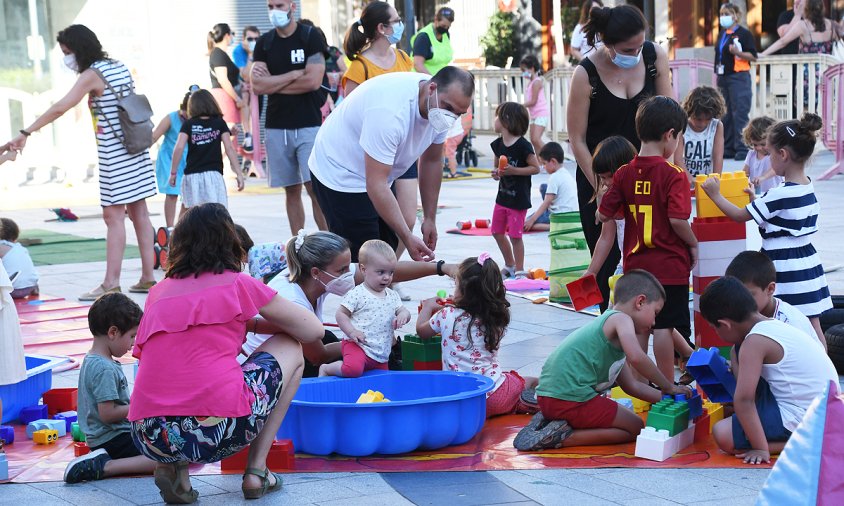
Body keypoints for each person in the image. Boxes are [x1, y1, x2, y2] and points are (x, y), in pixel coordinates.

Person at [128, 203, 324, 502]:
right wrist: (258, 323)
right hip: (218, 428)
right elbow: (313, 331)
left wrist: (247, 323)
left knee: (175, 381)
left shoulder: (158, 291)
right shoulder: (238, 283)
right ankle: (257, 472)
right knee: (291, 347)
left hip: (149, 434)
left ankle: (175, 471)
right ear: (228, 239)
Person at [7, 25, 157, 301]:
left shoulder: (92, 75)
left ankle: (110, 282)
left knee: (113, 217)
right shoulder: (118, 66)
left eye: (67, 52)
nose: (67, 59)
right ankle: (148, 277)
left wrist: (25, 132)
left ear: (79, 49)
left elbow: (60, 107)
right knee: (140, 214)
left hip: (115, 154)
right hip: (136, 147)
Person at [566, 4, 673, 310]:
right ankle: (610, 335)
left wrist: (670, 171)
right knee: (606, 258)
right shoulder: (585, 74)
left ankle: (657, 326)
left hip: (647, 176)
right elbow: (577, 139)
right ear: (607, 42)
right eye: (629, 48)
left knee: (651, 260)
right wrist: (602, 187)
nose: (637, 52)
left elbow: (670, 121)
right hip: (600, 175)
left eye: (641, 44)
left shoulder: (654, 57)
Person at [513, 270, 692, 451]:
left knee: (630, 422)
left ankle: (555, 421)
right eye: (655, 312)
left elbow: (632, 387)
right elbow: (637, 357)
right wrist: (668, 386)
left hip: (548, 398)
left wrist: (671, 398)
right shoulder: (620, 319)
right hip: (571, 399)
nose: (654, 322)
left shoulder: (611, 337)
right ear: (640, 302)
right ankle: (561, 437)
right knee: (635, 428)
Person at [308, 67, 474, 262]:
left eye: (459, 113)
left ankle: (381, 289)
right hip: (339, 170)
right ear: (431, 89)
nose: (451, 116)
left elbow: (431, 161)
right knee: (364, 257)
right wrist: (407, 236)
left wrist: (429, 218)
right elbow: (375, 183)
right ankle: (357, 290)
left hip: (379, 171)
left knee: (387, 247)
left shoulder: (440, 107)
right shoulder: (390, 112)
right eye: (448, 108)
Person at [240, 230, 458, 376]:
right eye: (342, 269)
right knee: (350, 360)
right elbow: (318, 355)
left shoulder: (310, 274)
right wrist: (373, 340)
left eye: (349, 267)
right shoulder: (293, 299)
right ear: (316, 272)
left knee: (333, 339)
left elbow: (382, 269)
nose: (349, 273)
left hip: (298, 346)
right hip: (267, 364)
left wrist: (441, 268)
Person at [700, 113, 833, 342]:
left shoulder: (779, 194)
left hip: (784, 266)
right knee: (812, 324)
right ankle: (823, 372)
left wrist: (715, 195)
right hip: (806, 263)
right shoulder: (807, 187)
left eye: (769, 153)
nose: (768, 158)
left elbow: (740, 216)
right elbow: (782, 224)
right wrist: (756, 201)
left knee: (777, 321)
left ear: (783, 155)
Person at [597, 96, 697, 382]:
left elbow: (604, 215)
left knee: (640, 326)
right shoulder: (673, 174)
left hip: (636, 266)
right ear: (670, 135)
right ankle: (667, 385)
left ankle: (642, 387)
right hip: (669, 266)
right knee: (664, 326)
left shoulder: (624, 173)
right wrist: (693, 243)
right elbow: (678, 220)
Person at [699, 276, 838, 464]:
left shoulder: (753, 343)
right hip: (827, 409)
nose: (717, 334)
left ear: (725, 324)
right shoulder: (772, 325)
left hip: (808, 417)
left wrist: (759, 448)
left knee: (722, 433)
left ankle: (808, 442)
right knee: (736, 353)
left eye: (714, 328)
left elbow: (745, 400)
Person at [341, 2, 416, 282]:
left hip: (404, 150)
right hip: (375, 154)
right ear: (382, 28)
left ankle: (388, 273)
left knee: (407, 219)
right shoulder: (359, 66)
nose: (400, 25)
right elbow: (349, 113)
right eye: (396, 21)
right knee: (379, 221)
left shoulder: (404, 59)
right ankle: (380, 275)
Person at [417, 253, 538, 418]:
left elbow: (422, 331)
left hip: (460, 402)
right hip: (495, 395)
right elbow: (472, 316)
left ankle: (522, 402)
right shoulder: (494, 317)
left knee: (513, 382)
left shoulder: (446, 315)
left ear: (463, 291)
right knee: (528, 381)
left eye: (456, 285)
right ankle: (533, 401)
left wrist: (427, 307)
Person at [251, 0, 329, 236]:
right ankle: (299, 244)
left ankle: (328, 242)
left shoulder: (309, 36)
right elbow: (257, 85)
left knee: (314, 187)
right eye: (271, 5)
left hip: (308, 123)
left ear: (292, 7)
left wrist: (273, 83)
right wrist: (294, 74)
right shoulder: (265, 43)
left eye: (280, 5)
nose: (275, 11)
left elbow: (313, 81)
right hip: (277, 126)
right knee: (291, 190)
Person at [62, 293, 157, 483]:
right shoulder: (104, 368)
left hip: (107, 437)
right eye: (131, 336)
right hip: (112, 439)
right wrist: (141, 406)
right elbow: (107, 414)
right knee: (167, 459)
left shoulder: (93, 359)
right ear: (113, 332)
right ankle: (105, 466)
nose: (133, 343)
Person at [318, 240, 410, 378]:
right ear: (363, 270)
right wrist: (351, 331)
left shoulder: (392, 295)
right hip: (357, 345)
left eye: (391, 272)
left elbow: (403, 310)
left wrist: (404, 315)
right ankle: (327, 368)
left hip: (381, 352)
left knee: (380, 382)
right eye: (381, 272)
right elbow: (341, 314)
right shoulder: (357, 293)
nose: (387, 277)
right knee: (352, 370)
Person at [168, 89, 244, 213]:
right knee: (218, 211)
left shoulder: (188, 124)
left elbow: (179, 147)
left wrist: (173, 173)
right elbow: (229, 148)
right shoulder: (220, 123)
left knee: (189, 211)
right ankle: (218, 232)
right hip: (214, 175)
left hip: (192, 175)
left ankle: (180, 232)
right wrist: (239, 174)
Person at [725, 250, 822, 346]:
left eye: (747, 295)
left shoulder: (788, 324)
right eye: (734, 295)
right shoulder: (751, 315)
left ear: (770, 289)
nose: (739, 302)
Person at [490, 102, 540, 279]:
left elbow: (536, 168)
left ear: (506, 120)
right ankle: (509, 264)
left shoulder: (523, 146)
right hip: (502, 198)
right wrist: (496, 173)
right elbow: (497, 168)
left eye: (497, 116)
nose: (494, 120)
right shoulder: (497, 145)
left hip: (518, 199)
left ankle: (519, 269)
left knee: (515, 235)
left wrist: (515, 171)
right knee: (496, 231)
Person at [761, 0, 837, 111]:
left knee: (806, 111)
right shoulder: (830, 24)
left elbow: (783, 41)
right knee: (826, 109)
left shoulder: (803, 25)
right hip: (827, 73)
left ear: (807, 9)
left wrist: (763, 54)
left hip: (807, 75)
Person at [581, 136, 637, 279]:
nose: (605, 183)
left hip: (647, 267)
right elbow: (606, 237)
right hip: (624, 265)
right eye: (602, 177)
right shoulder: (611, 200)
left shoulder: (641, 193)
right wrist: (592, 271)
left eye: (609, 177)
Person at [716, 3, 758, 161]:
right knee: (725, 114)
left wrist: (738, 52)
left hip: (739, 76)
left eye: (727, 13)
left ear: (735, 16)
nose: (723, 17)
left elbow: (753, 56)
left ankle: (741, 148)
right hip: (723, 76)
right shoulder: (722, 34)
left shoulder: (744, 34)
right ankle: (728, 147)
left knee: (739, 112)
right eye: (721, 14)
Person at [151, 90, 191, 228]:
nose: (186, 117)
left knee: (188, 196)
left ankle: (180, 227)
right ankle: (169, 228)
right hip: (169, 159)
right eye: (185, 113)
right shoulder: (171, 118)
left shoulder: (196, 120)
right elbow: (155, 136)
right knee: (172, 193)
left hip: (188, 160)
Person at [523, 142, 577, 232]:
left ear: (553, 161)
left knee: (524, 224)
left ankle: (553, 227)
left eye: (544, 163)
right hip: (571, 214)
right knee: (544, 187)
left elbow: (547, 202)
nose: (543, 167)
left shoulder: (554, 177)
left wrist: (532, 220)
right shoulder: (566, 173)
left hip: (559, 217)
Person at [679, 85, 725, 179]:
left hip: (707, 180)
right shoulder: (681, 125)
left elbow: (718, 157)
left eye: (707, 119)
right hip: (685, 178)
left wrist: (715, 179)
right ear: (690, 112)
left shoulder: (717, 126)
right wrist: (691, 180)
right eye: (698, 119)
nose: (703, 123)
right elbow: (677, 159)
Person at [207, 23, 244, 132]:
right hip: (223, 97)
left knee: (231, 134)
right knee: (227, 135)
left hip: (227, 97)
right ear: (227, 36)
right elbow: (223, 79)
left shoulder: (220, 54)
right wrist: (237, 99)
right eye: (232, 34)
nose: (233, 37)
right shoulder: (218, 54)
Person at [233, 26, 261, 153]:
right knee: (245, 95)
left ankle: (253, 136)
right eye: (250, 39)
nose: (253, 42)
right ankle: (248, 135)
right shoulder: (238, 50)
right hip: (243, 85)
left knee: (256, 110)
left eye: (256, 39)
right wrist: (250, 54)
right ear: (244, 40)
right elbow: (244, 74)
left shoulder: (262, 48)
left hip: (259, 85)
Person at [0, 218, 39, 298]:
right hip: (29, 287)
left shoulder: (1, 247)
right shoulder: (21, 248)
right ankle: (35, 287)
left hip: (10, 290)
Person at [741, 116, 780, 194]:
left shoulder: (775, 154)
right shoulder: (751, 155)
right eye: (755, 144)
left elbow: (776, 169)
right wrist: (741, 179)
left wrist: (763, 177)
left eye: (763, 144)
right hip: (758, 194)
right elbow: (745, 172)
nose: (758, 148)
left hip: (775, 193)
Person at [411, 7, 455, 75]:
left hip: (439, 80)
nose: (445, 29)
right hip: (423, 81)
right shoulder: (423, 37)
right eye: (443, 26)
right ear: (436, 19)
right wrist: (432, 80)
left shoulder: (445, 34)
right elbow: (417, 64)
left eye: (448, 27)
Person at [520, 55, 548, 156]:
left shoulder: (537, 82)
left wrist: (521, 105)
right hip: (534, 115)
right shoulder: (531, 83)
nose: (523, 73)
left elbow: (533, 101)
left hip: (541, 114)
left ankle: (553, 155)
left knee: (536, 139)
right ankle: (540, 163)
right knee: (533, 140)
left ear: (531, 68)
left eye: (524, 70)